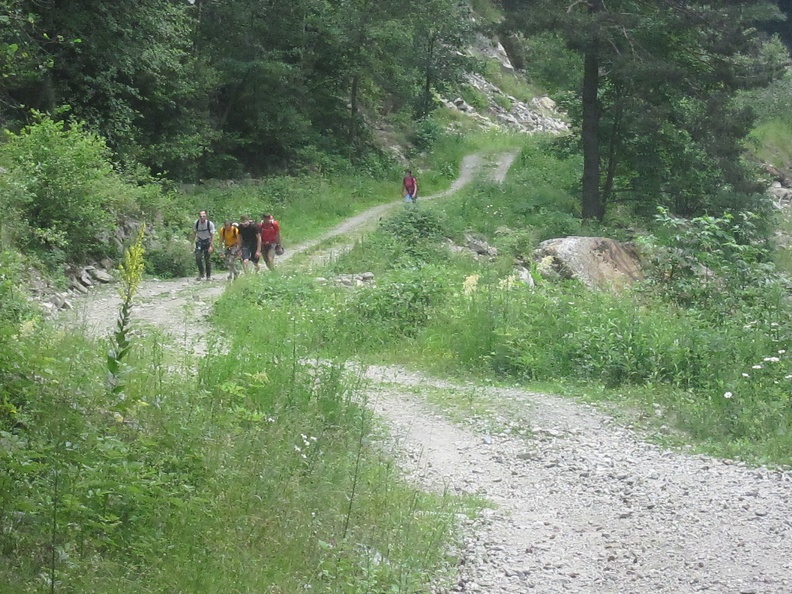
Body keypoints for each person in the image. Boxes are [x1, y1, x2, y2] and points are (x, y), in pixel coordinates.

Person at [193, 210, 215, 280]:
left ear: (206, 216)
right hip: (199, 241)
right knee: (198, 257)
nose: (202, 217)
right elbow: (194, 233)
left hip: (207, 241)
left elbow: (213, 235)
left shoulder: (210, 224)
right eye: (201, 216)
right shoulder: (196, 223)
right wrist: (192, 243)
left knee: (207, 259)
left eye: (204, 216)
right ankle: (201, 273)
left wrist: (211, 245)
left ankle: (208, 276)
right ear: (199, 217)